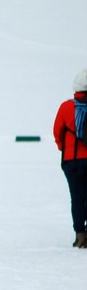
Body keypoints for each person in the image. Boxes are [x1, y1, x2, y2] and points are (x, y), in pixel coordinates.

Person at [53, 68, 87, 248]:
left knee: (77, 197)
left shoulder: (67, 107)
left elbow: (57, 132)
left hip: (71, 161)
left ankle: (80, 235)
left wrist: (64, 150)